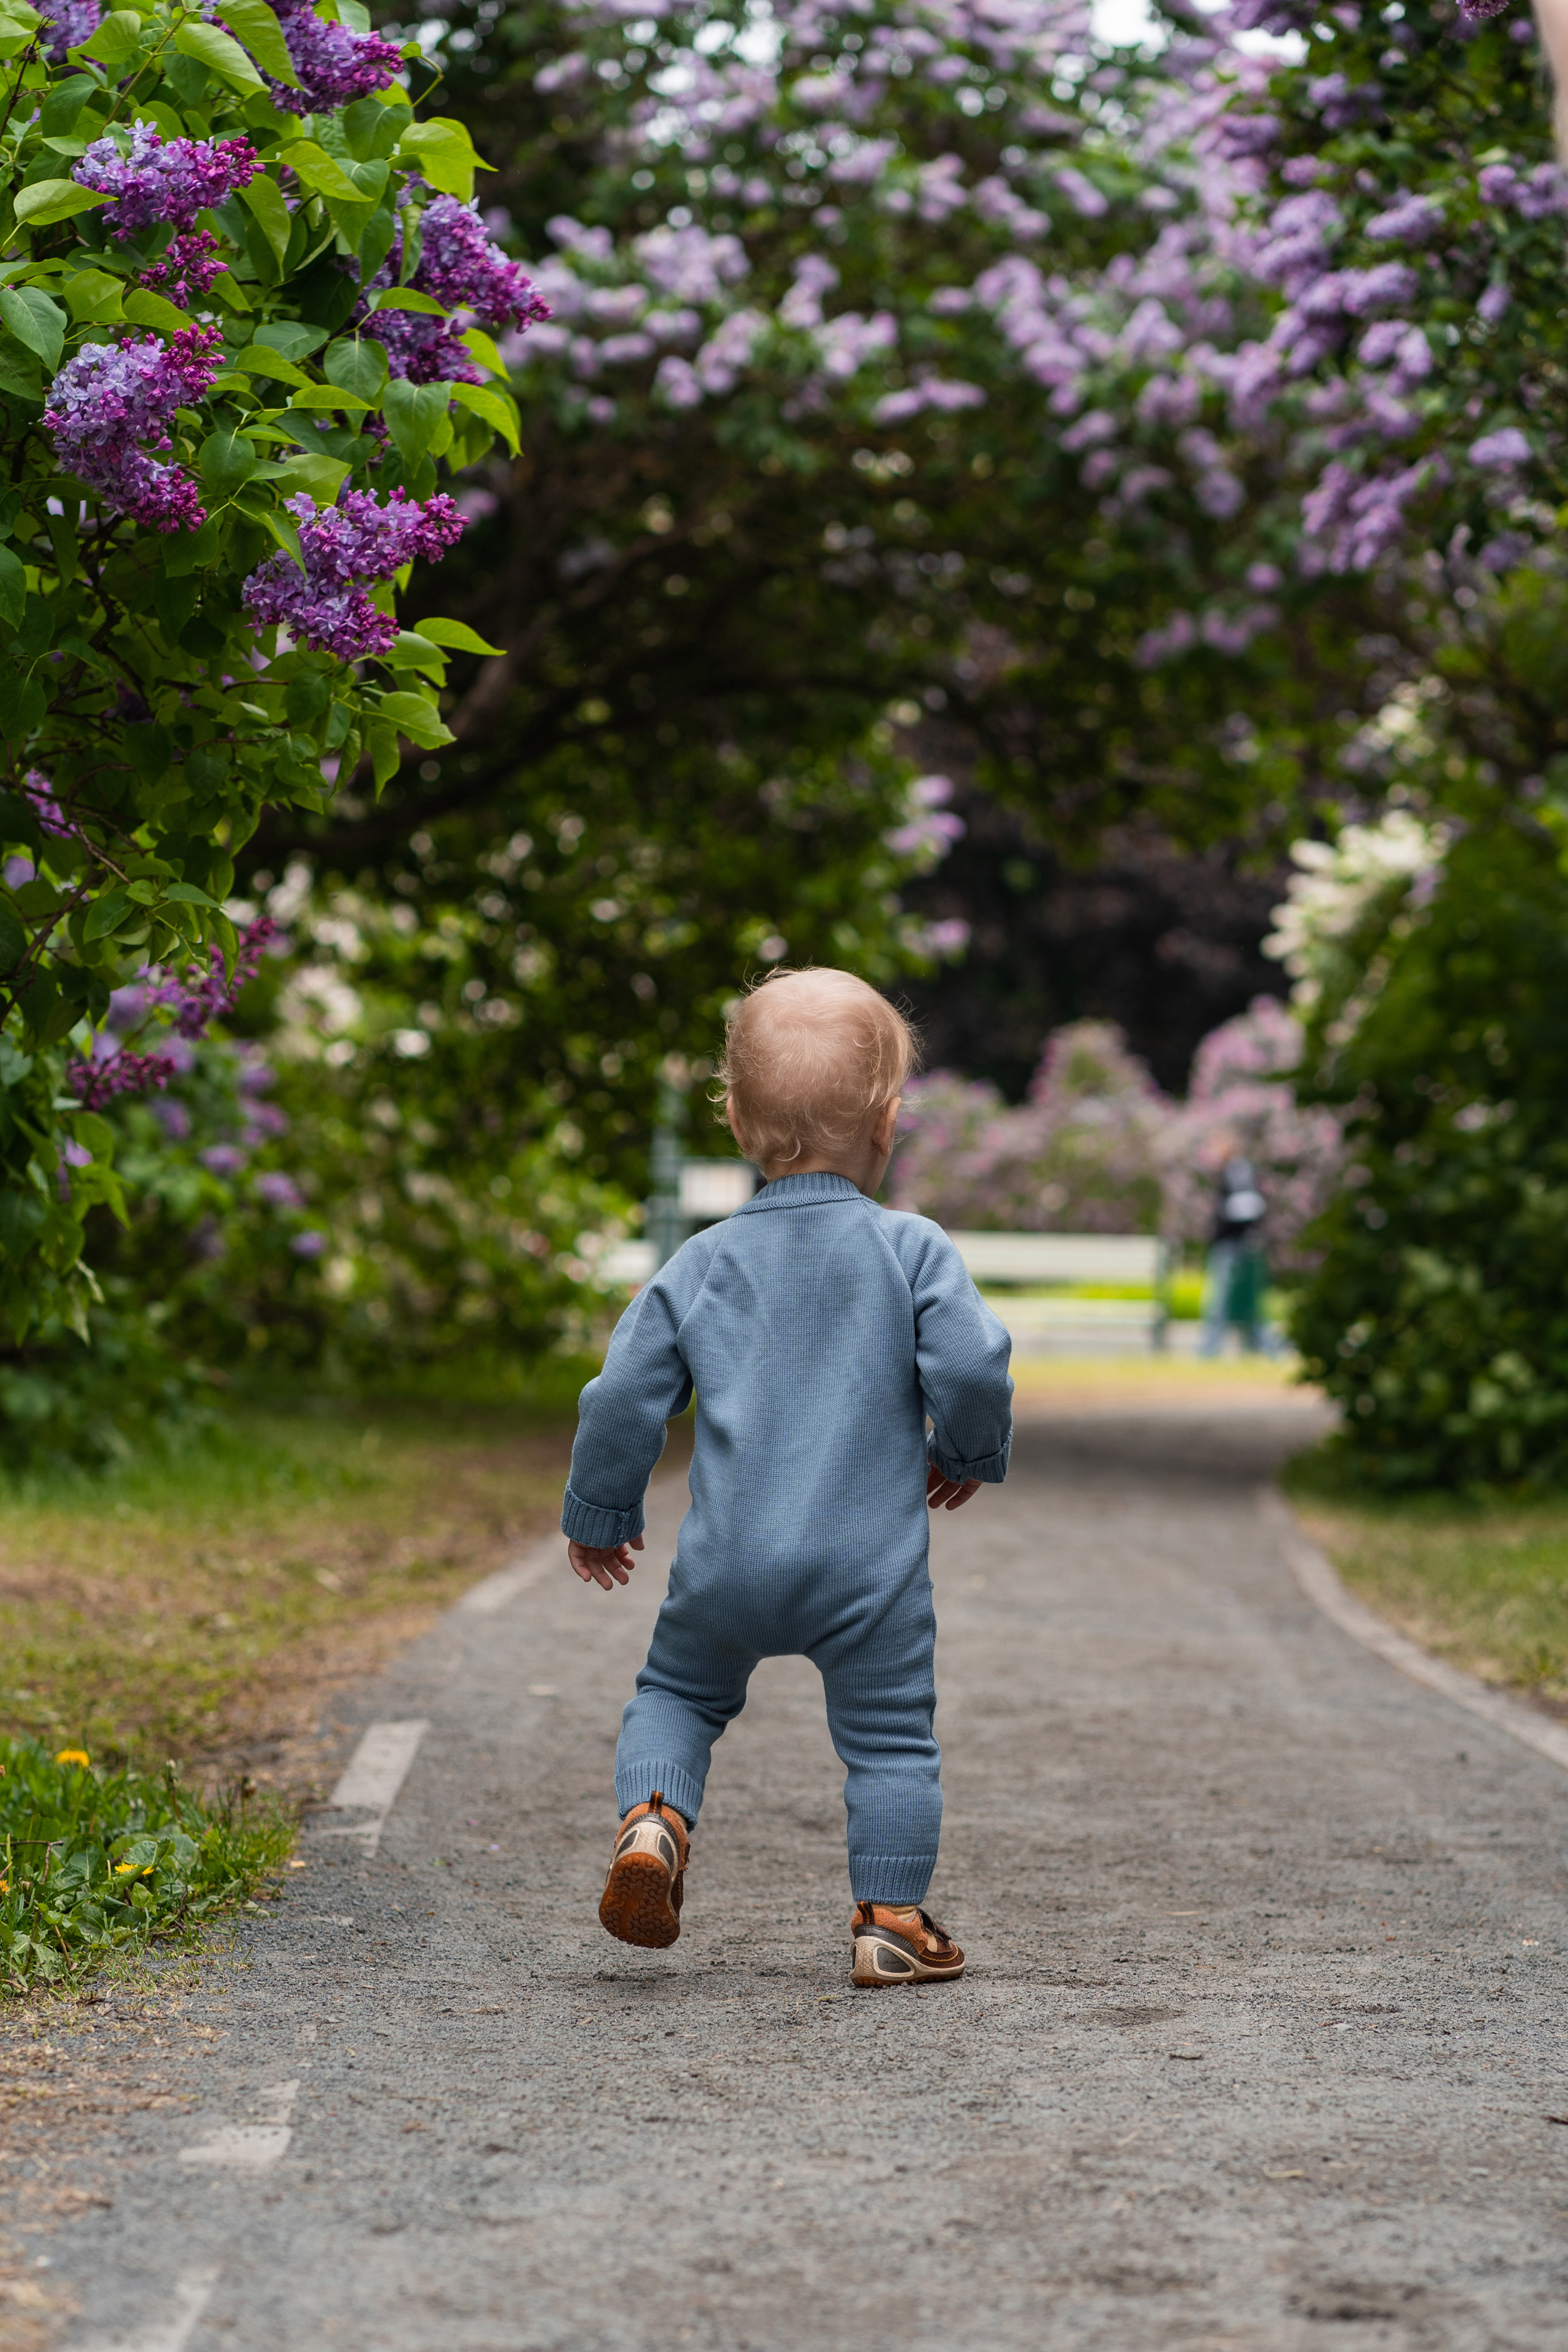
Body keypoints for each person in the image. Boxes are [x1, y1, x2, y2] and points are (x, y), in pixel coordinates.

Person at [559, 967, 1014, 1986]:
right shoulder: (911, 1250)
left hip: (726, 1569)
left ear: (732, 1117)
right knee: (891, 1741)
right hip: (871, 1577)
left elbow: (623, 1394)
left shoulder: (700, 1263)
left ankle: (654, 1824)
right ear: (890, 1123)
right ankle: (891, 1922)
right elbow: (976, 1364)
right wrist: (967, 1450)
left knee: (677, 1689)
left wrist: (601, 1511)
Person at [1198, 1153, 1268, 1356]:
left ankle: (1211, 1350)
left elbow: (1247, 1207)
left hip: (1233, 1247)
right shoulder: (1230, 1172)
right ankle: (1252, 1347)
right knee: (1229, 1301)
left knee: (1226, 1300)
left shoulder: (1237, 1171)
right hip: (1233, 1246)